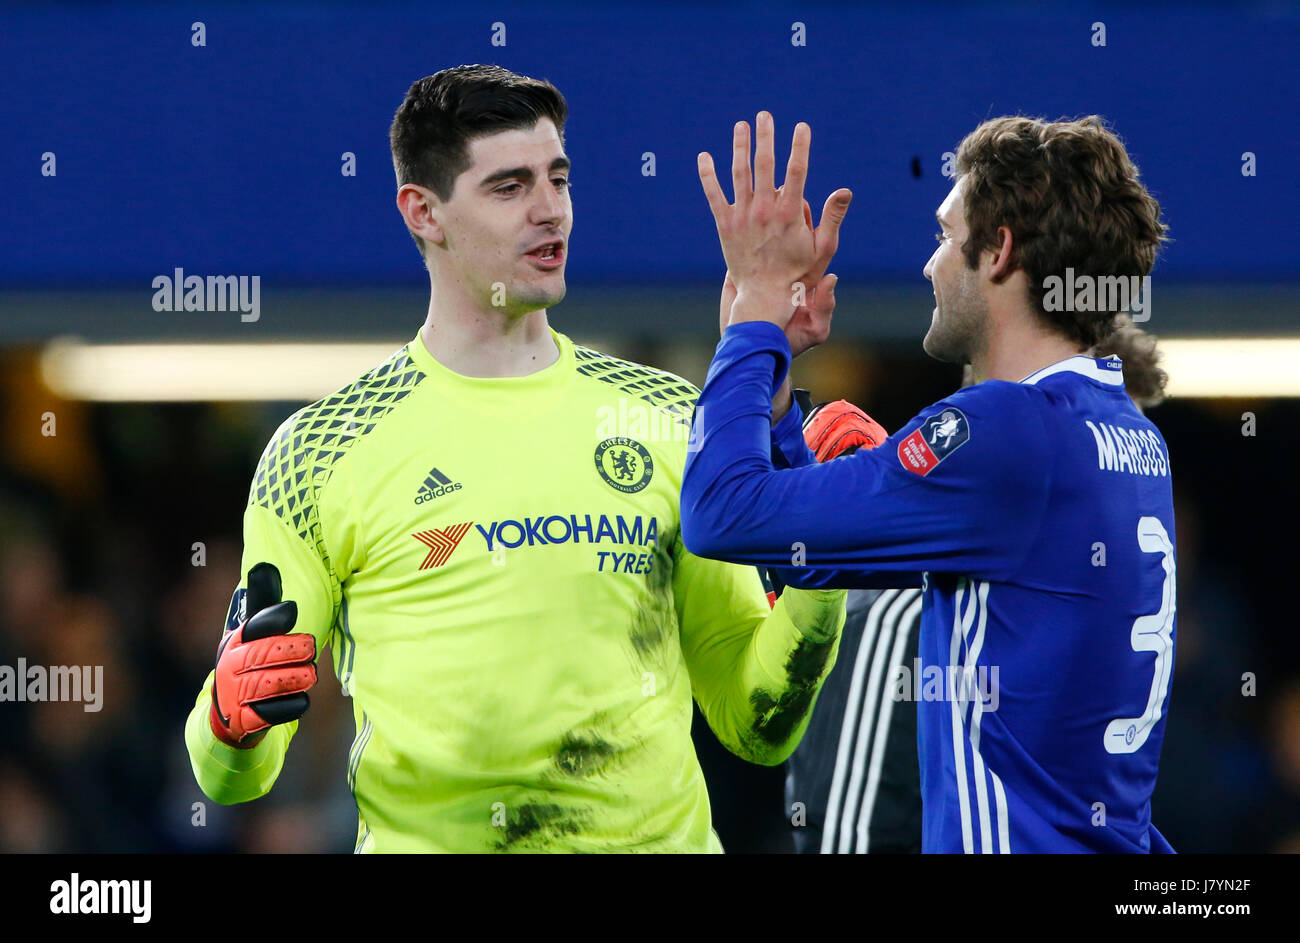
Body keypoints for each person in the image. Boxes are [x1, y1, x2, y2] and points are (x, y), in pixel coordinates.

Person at [183, 66, 848, 853]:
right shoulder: (320, 450)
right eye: (509, 187)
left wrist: (824, 538)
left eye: (557, 178)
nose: (550, 210)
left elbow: (757, 718)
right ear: (422, 212)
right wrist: (229, 717)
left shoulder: (671, 417)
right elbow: (233, 777)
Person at [684, 111, 1176, 853]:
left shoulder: (1009, 429)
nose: (931, 265)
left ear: (1000, 250)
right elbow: (810, 552)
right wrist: (780, 403)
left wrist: (751, 322)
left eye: (946, 237)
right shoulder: (1128, 433)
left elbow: (720, 513)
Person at [783, 317, 1171, 854]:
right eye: (1078, 448)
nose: (1103, 488)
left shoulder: (1095, 615)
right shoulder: (903, 612)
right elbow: (847, 832)